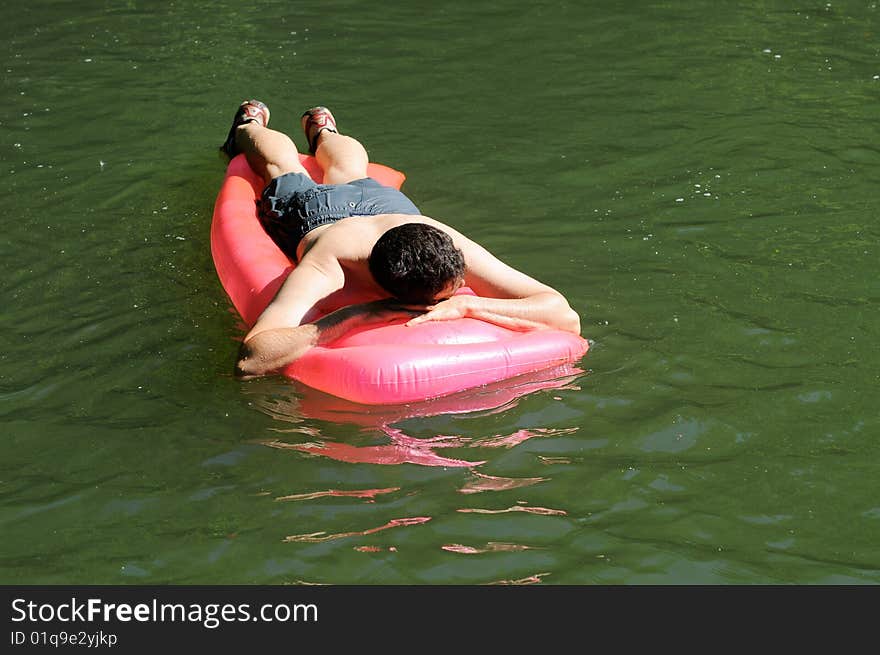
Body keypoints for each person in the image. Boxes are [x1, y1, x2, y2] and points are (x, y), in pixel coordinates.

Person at [220, 100, 581, 378]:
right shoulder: (329, 265)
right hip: (317, 215)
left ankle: (324, 134)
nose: (452, 296)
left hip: (390, 209)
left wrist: (470, 306)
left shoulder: (446, 244)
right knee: (283, 168)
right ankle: (249, 124)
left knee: (350, 172)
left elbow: (562, 313)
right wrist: (358, 315)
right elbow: (252, 359)